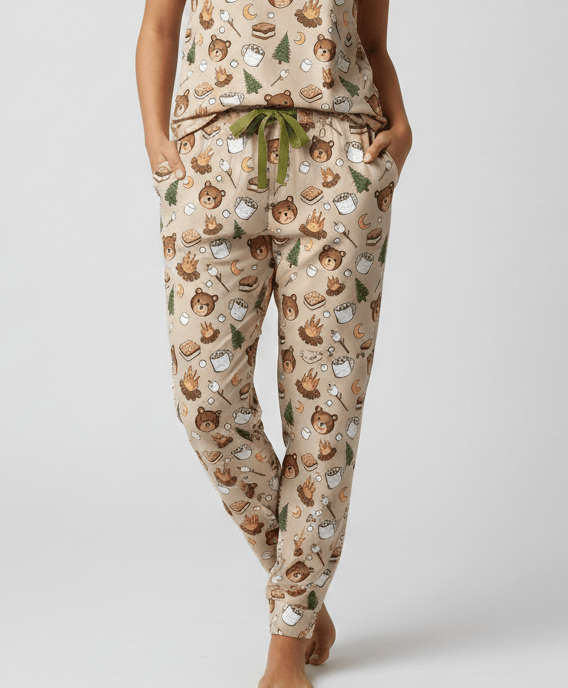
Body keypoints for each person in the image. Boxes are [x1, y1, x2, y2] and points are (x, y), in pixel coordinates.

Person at [136, 0, 412, 685]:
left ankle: (287, 638)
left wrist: (400, 125)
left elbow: (372, 42)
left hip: (338, 163)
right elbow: (160, 27)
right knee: (206, 402)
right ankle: (301, 589)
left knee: (326, 412)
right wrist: (156, 142)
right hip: (212, 161)